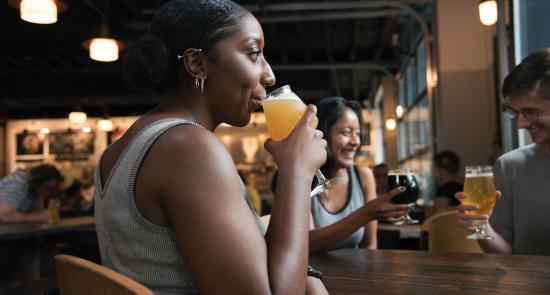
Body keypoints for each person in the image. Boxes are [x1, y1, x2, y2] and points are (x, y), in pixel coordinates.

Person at [94, 1, 328, 294]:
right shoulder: (187, 148)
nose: (269, 75)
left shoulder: (121, 148)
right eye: (254, 54)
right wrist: (296, 172)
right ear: (198, 65)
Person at [457, 48, 550, 255]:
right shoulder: (509, 166)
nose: (520, 124)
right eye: (515, 113)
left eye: (530, 112)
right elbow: (503, 254)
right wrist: (480, 227)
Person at [308, 96, 411, 253]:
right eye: (346, 132)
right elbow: (307, 243)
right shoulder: (302, 177)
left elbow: (369, 246)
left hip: (355, 275)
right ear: (322, 134)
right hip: (310, 276)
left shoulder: (363, 176)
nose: (355, 141)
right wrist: (366, 213)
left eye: (357, 133)